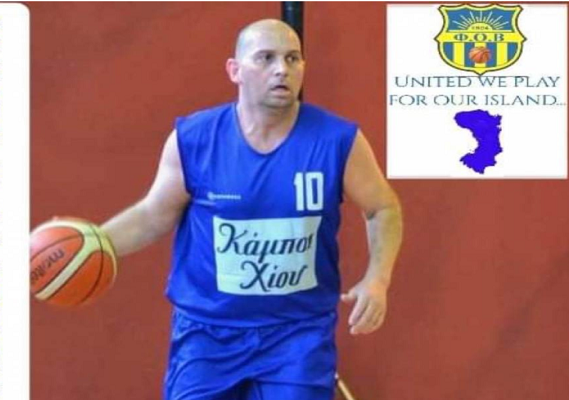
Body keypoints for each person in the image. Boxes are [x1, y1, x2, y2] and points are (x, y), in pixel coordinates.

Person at [102, 19, 403, 400]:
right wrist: (94, 242)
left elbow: (383, 208)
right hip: (207, 333)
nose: (282, 69)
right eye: (266, 58)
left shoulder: (337, 140)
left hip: (297, 334)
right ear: (235, 70)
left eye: (292, 58)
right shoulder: (194, 139)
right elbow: (152, 215)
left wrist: (378, 280)